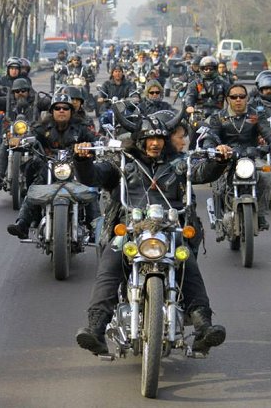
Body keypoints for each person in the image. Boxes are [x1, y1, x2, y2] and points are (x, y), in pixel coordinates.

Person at [72, 112, 228, 356]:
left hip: (169, 229)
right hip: (130, 229)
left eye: (159, 138)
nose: (155, 143)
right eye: (149, 138)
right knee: (110, 265)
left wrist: (220, 160)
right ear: (139, 140)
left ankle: (202, 328)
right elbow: (94, 176)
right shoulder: (122, 163)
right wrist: (82, 159)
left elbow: (202, 173)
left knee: (188, 264)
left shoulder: (178, 164)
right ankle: (96, 329)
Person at [6, 94, 97, 238]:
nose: (61, 110)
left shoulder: (82, 127)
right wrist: (19, 140)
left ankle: (95, 227)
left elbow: (96, 139)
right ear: (52, 111)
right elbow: (30, 136)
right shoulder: (42, 127)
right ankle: (23, 223)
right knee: (35, 186)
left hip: (76, 166)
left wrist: (99, 143)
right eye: (57, 107)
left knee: (89, 188)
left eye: (65, 108)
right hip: (49, 167)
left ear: (71, 111)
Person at [203, 83, 271, 230]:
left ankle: (260, 214)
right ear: (228, 99)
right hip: (226, 160)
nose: (238, 100)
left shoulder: (256, 115)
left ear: (247, 98)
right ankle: (218, 218)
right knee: (218, 184)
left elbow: (268, 133)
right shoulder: (218, 118)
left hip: (251, 158)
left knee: (267, 176)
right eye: (234, 97)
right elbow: (211, 137)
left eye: (242, 96)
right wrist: (215, 148)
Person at [0, 78, 52, 190]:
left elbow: (47, 103)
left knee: (44, 146)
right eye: (17, 91)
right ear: (13, 93)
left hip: (33, 134)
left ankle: (46, 176)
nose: (20, 93)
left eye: (23, 90)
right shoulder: (8, 101)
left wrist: (52, 98)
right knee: (4, 145)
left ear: (28, 91)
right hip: (13, 134)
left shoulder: (36, 100)